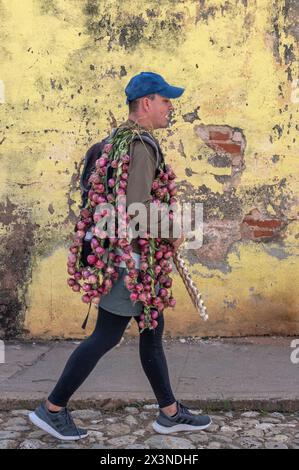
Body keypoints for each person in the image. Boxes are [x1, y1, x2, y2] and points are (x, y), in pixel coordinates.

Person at [28, 72, 211, 441]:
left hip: (122, 257)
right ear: (146, 103)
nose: (170, 106)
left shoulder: (116, 140)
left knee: (151, 329)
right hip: (130, 262)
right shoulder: (140, 146)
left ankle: (169, 411)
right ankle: (52, 408)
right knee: (106, 336)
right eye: (165, 100)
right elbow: (135, 209)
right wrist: (172, 230)